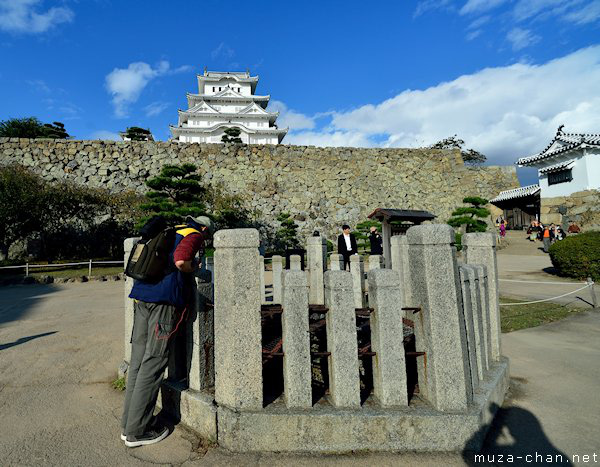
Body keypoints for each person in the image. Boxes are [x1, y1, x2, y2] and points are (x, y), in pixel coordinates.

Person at [121, 215, 214, 448]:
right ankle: (137, 432)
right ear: (203, 228)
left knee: (138, 362)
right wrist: (195, 268)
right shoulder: (193, 234)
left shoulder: (170, 230)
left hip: (142, 297)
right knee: (154, 362)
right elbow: (182, 260)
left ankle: (128, 424)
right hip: (164, 303)